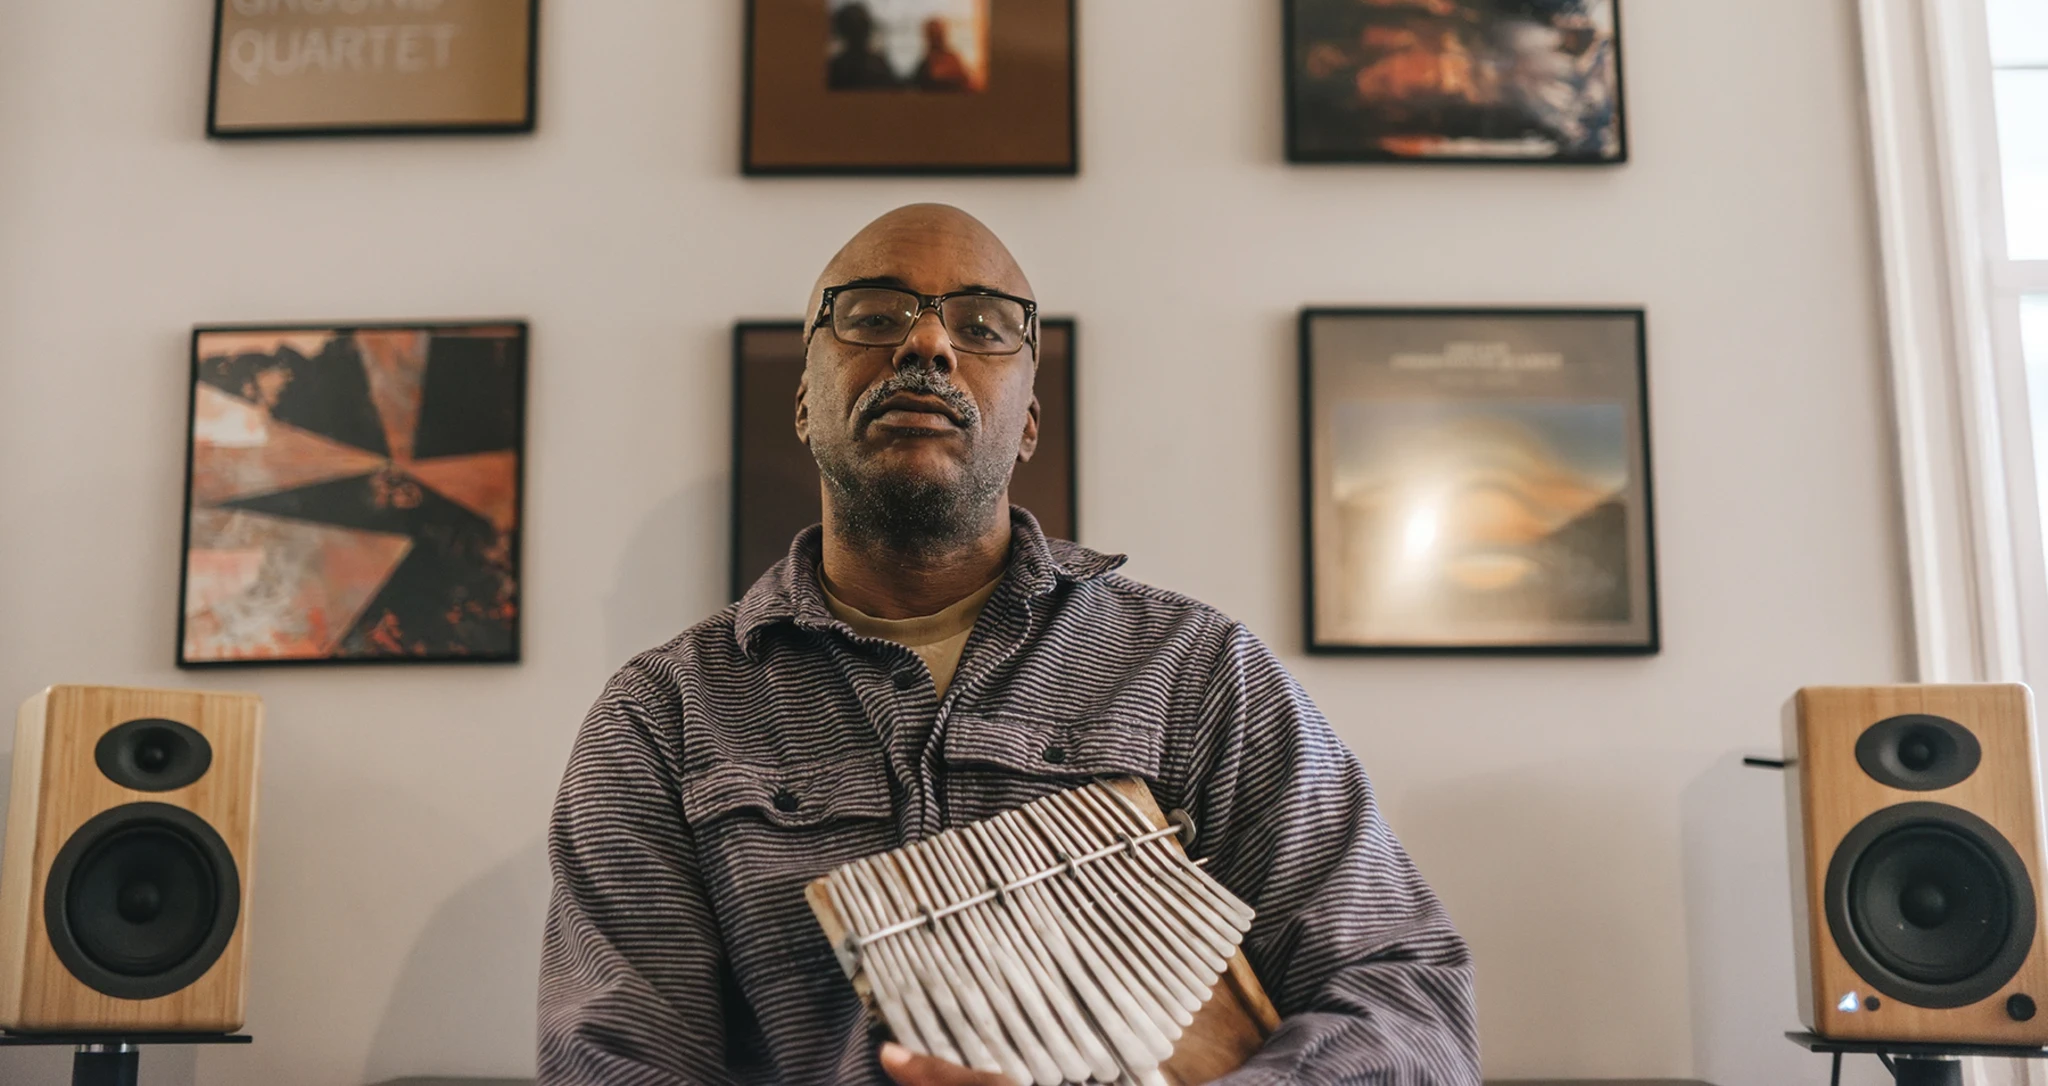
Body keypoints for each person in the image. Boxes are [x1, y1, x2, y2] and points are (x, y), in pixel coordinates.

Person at [538, 205, 1480, 1085]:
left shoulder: (1197, 671)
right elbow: (616, 1060)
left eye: (984, 327)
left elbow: (1406, 1001)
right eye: (872, 314)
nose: (928, 343)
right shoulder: (662, 718)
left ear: (1027, 422)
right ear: (805, 404)